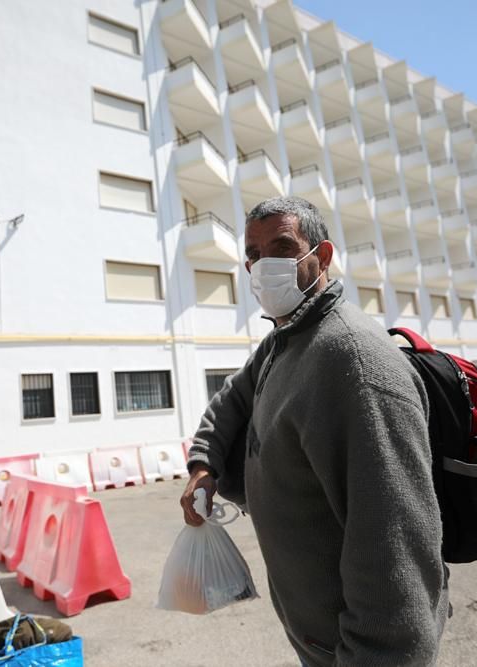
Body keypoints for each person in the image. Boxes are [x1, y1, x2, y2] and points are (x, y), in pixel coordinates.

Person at [180, 196, 449, 666]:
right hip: (317, 640)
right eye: (255, 254)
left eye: (282, 247)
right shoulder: (285, 340)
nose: (265, 265)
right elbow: (231, 400)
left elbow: (396, 548)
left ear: (321, 257)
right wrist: (204, 465)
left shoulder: (353, 365)